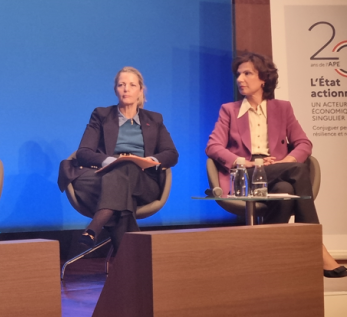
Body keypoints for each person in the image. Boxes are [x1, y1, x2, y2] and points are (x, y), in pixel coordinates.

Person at [206, 52, 346, 278]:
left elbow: (304, 143)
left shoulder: (283, 108)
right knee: (298, 170)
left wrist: (285, 162)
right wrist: (247, 163)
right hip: (246, 176)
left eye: (247, 73)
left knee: (286, 189)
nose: (240, 79)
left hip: (278, 173)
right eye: (238, 74)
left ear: (263, 79)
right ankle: (314, 245)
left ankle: (266, 258)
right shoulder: (229, 110)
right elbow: (213, 146)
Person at [58, 66, 178, 252]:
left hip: (143, 180)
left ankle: (94, 227)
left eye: (132, 85)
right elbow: (84, 152)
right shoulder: (101, 115)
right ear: (115, 89)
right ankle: (132, 263)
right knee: (121, 180)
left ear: (140, 90)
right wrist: (112, 161)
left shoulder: (154, 119)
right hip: (100, 176)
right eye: (121, 85)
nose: (126, 89)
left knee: (127, 166)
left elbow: (171, 154)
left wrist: (147, 161)